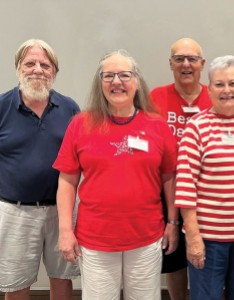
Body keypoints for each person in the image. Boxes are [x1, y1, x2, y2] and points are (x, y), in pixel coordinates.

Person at [53, 50, 177, 300]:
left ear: (136, 82)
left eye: (124, 75)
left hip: (145, 237)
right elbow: (67, 181)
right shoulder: (81, 124)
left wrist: (172, 222)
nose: (116, 82)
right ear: (100, 83)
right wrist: (65, 230)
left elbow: (169, 177)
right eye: (108, 76)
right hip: (96, 239)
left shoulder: (157, 126)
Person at [175, 55, 234, 300]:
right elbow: (185, 187)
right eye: (219, 84)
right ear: (209, 89)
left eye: (233, 83)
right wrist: (194, 238)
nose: (226, 90)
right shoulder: (196, 127)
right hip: (208, 239)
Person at [0, 39, 80, 300]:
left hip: (61, 212)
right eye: (30, 63)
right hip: (15, 211)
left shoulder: (70, 109)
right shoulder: (2, 107)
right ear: (18, 68)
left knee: (62, 277)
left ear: (54, 72)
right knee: (15, 282)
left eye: (45, 65)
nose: (37, 70)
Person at [150, 38, 212, 300]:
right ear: (170, 64)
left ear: (202, 64)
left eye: (192, 59)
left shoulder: (215, 96)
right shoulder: (155, 97)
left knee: (204, 255)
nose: (186, 64)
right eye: (179, 59)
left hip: (208, 192)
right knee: (173, 258)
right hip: (167, 191)